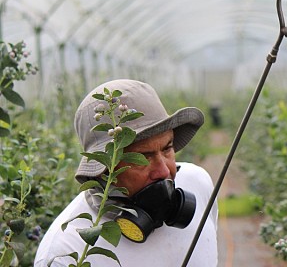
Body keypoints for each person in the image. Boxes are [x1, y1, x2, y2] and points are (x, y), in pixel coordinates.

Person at [34, 79, 218, 266]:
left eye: (167, 148)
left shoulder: (198, 183)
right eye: (143, 158)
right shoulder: (64, 253)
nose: (164, 171)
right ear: (103, 169)